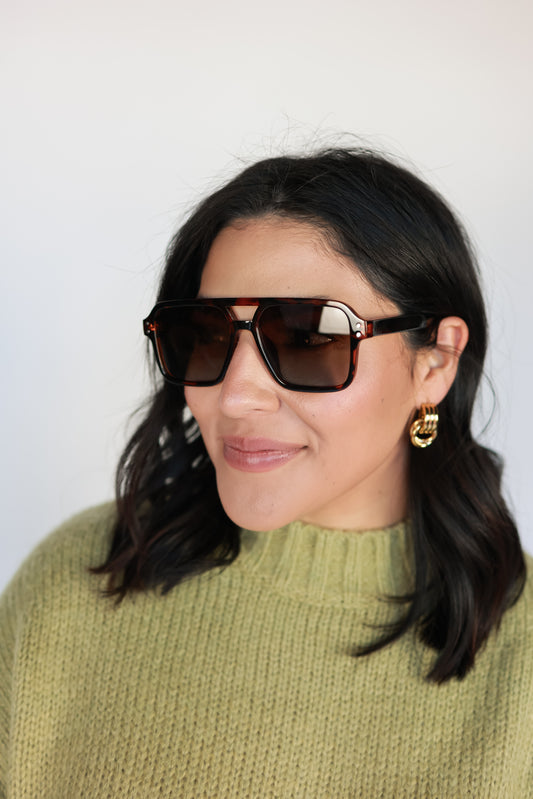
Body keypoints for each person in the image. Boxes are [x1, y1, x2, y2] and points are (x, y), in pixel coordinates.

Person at [1, 147, 531, 798]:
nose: (234, 396)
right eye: (207, 334)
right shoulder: (74, 583)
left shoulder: (522, 663)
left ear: (436, 363)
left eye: (309, 337)